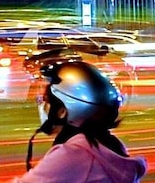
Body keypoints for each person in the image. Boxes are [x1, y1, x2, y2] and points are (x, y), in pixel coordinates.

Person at [16, 60, 147, 183]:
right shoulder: (109, 146)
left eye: (47, 101)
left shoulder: (74, 154)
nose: (43, 106)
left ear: (62, 110)